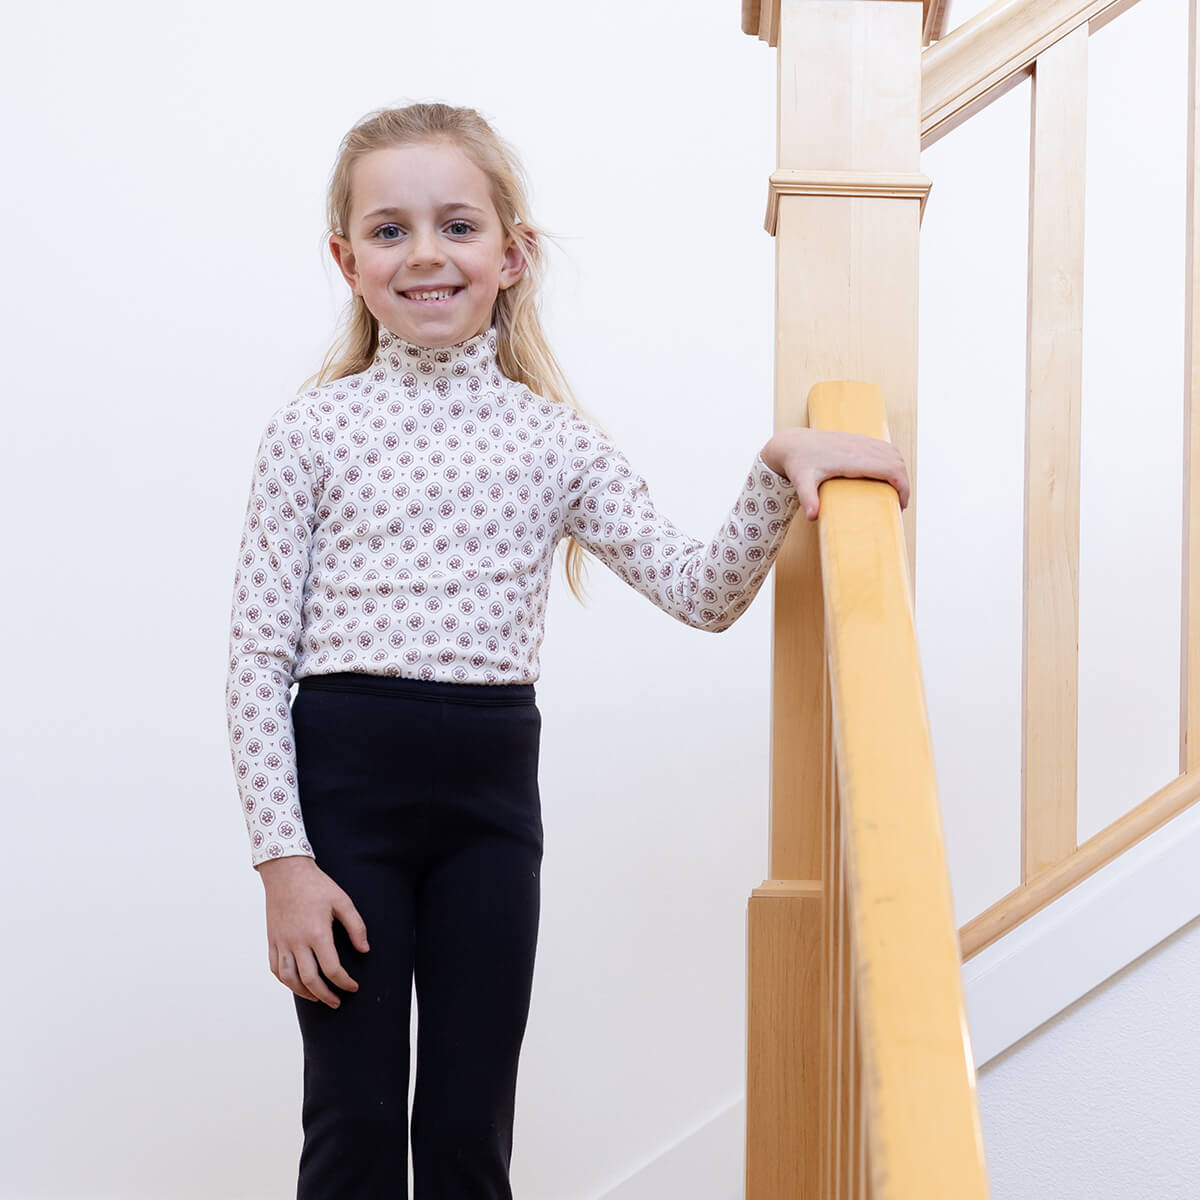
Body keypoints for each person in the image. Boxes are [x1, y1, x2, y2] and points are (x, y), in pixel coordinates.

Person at [224, 101, 909, 1200]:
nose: (426, 254)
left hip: (490, 808)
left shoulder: (555, 441)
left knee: (468, 1122)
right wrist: (283, 864)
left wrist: (777, 468)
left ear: (513, 254)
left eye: (457, 225)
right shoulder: (312, 430)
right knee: (353, 1119)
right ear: (348, 261)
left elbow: (701, 592)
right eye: (391, 231)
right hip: (344, 800)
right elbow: (258, 661)